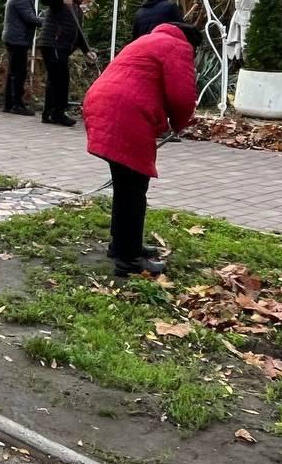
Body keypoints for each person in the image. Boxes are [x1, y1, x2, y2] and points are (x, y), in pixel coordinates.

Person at [82, 22, 199, 276]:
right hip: (127, 113)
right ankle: (129, 260)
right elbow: (182, 96)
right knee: (134, 189)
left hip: (101, 104)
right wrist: (179, 124)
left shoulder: (146, 41)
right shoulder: (178, 46)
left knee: (125, 185)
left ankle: (122, 245)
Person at [37, 0, 96, 126]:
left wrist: (87, 50)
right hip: (53, 44)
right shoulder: (63, 0)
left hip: (60, 47)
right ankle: (57, 113)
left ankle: (49, 113)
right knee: (61, 79)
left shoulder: (77, 9)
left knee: (55, 79)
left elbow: (79, 33)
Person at [1, 0, 45, 115]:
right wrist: (47, 21)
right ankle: (17, 105)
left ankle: (9, 104)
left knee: (13, 72)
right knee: (18, 73)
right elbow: (30, 18)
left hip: (13, 38)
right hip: (18, 39)